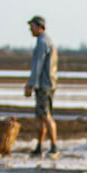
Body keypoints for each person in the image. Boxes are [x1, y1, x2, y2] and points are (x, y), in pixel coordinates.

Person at [24, 15, 59, 158]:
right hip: (47, 83)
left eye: (32, 26)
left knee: (45, 115)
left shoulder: (42, 42)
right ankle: (39, 147)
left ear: (39, 27)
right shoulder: (46, 41)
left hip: (44, 85)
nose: (30, 30)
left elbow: (37, 66)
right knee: (41, 116)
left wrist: (31, 84)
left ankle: (54, 147)